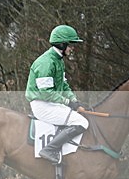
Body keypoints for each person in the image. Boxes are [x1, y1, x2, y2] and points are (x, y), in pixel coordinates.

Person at [25, 24, 89, 165]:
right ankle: (49, 149)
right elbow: (46, 93)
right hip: (42, 104)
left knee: (80, 117)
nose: (72, 49)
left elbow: (64, 85)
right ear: (61, 44)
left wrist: (74, 100)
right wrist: (67, 103)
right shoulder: (46, 63)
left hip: (51, 103)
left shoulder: (58, 61)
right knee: (81, 122)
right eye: (71, 45)